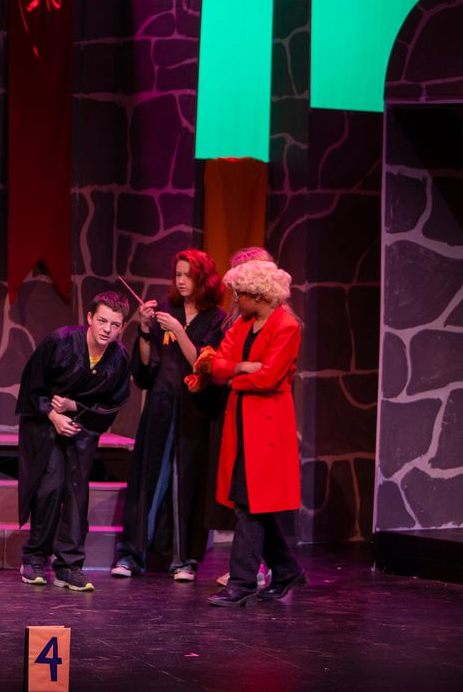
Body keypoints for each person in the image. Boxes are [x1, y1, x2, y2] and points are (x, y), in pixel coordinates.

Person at [113, 249, 227, 583]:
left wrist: (178, 330)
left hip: (195, 412)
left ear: (203, 279)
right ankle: (132, 554)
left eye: (188, 275)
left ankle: (184, 559)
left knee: (186, 482)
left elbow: (203, 365)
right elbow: (146, 369)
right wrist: (145, 328)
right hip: (161, 407)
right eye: (178, 274)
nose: (181, 281)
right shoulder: (167, 310)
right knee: (148, 478)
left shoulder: (216, 319)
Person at [16, 291, 132, 592]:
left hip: (82, 430)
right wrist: (53, 414)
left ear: (122, 327)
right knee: (49, 487)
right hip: (45, 425)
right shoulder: (61, 342)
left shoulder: (119, 358)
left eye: (115, 324)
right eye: (102, 321)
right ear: (90, 318)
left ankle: (69, 565)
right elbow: (32, 384)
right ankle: (35, 558)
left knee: (76, 493)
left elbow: (114, 403)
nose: (107, 329)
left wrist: (74, 407)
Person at [207, 259, 306, 607]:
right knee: (251, 505)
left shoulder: (287, 326)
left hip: (267, 427)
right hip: (241, 423)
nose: (235, 301)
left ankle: (242, 583)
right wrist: (242, 367)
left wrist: (235, 379)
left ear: (259, 295)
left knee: (250, 506)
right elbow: (216, 366)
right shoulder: (243, 324)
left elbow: (269, 378)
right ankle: (287, 569)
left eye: (240, 294)